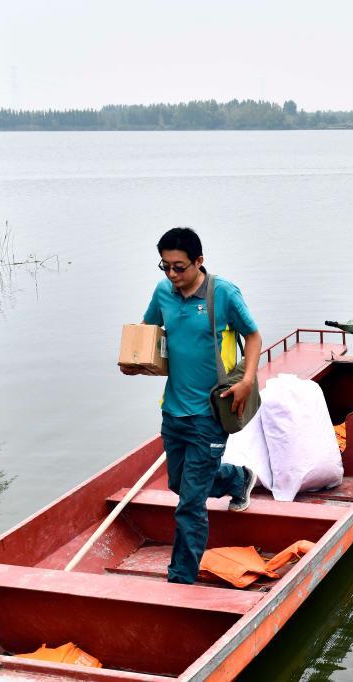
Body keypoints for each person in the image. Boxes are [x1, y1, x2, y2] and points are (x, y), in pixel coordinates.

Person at [121, 227, 262, 585]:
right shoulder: (163, 293)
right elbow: (148, 333)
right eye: (165, 266)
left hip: (211, 412)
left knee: (190, 504)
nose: (172, 274)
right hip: (173, 410)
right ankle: (238, 478)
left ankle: (181, 578)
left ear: (199, 261)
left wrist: (247, 380)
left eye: (179, 267)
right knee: (178, 483)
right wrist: (135, 362)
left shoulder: (223, 293)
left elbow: (253, 335)